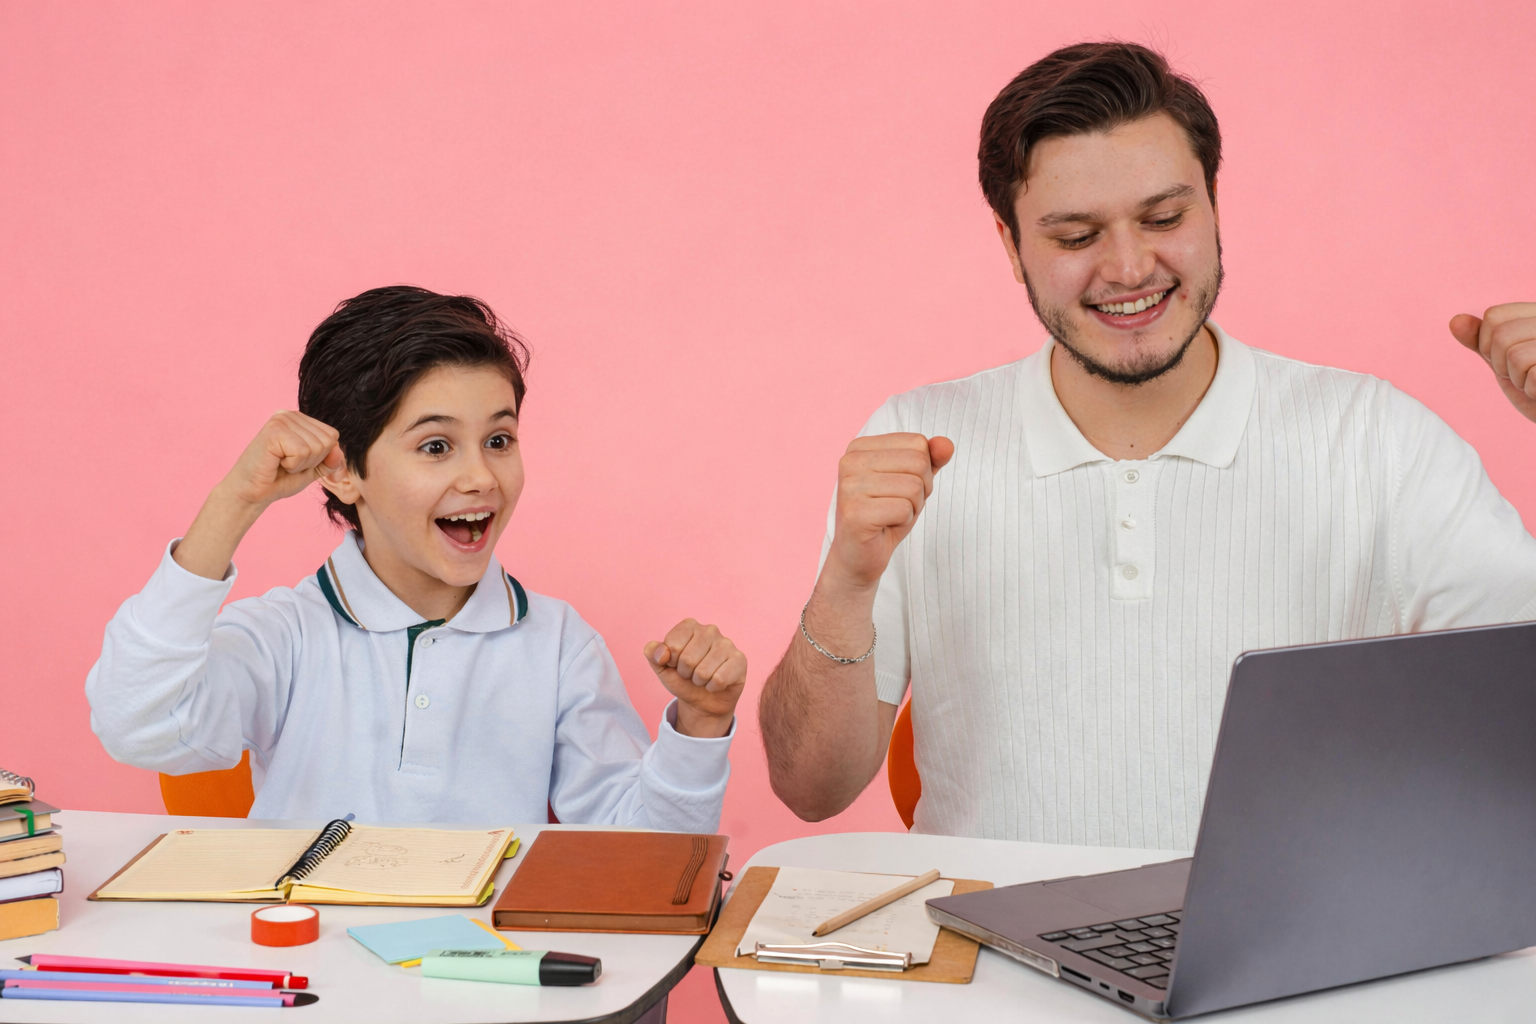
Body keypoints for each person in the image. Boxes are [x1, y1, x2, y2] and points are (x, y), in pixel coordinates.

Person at [758, 42, 1536, 849]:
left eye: (1165, 218)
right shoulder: (915, 440)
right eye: (1073, 236)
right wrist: (846, 586)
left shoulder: (1377, 440)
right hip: (987, 954)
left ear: (1213, 205)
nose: (1130, 268)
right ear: (1009, 242)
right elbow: (810, 790)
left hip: (1294, 965)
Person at [87, 285, 746, 830]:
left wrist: (700, 725)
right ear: (343, 471)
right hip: (318, 975)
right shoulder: (284, 635)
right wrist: (235, 500)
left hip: (486, 977)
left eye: (499, 439)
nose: (481, 477)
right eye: (436, 447)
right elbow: (137, 724)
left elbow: (642, 860)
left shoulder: (560, 646)